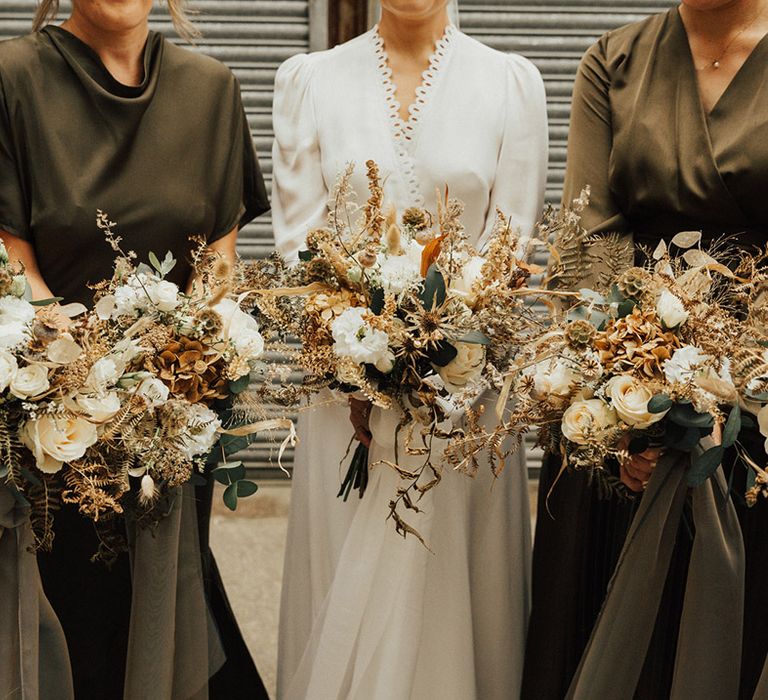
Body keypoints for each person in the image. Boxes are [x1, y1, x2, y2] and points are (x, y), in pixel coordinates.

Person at [271, 1, 548, 698]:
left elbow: (509, 248)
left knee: (458, 594)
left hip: (465, 396)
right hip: (346, 401)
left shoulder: (510, 84)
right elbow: (297, 245)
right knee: (345, 588)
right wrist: (358, 362)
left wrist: (440, 355)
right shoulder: (309, 81)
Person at [0, 0, 270, 697]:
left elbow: (217, 260)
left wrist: (188, 356)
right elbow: (12, 257)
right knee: (67, 633)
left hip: (170, 416)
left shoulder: (210, 89)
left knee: (165, 618)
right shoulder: (12, 77)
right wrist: (80, 367)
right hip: (50, 422)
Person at [522, 2, 768, 698]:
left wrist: (734, 383)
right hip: (626, 369)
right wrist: (629, 394)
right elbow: (589, 245)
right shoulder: (614, 60)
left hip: (759, 392)